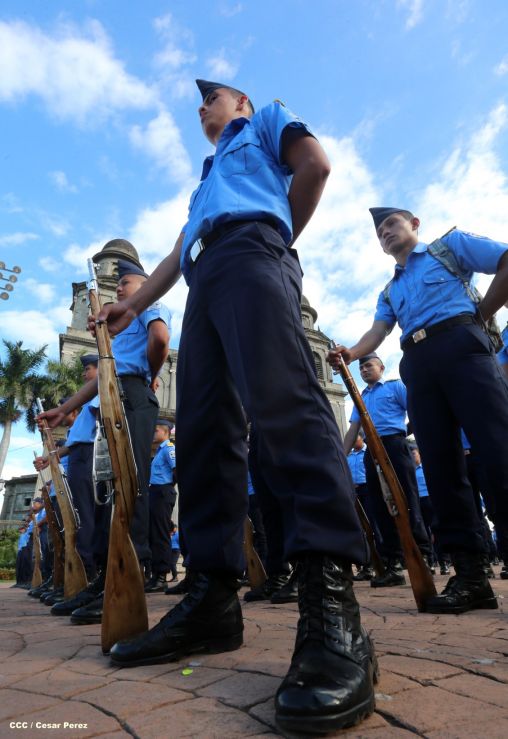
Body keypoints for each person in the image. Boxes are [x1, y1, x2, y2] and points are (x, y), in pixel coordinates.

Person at [87, 79, 378, 734]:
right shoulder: (204, 180)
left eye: (212, 97)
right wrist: (132, 302)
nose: (203, 107)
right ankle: (212, 597)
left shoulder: (264, 122)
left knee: (285, 403)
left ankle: (331, 604)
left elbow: (315, 166)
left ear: (241, 104)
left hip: (254, 252)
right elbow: (176, 249)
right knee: (204, 435)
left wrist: (273, 233)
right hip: (205, 278)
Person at [329, 207, 508, 614]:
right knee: (443, 470)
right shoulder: (389, 291)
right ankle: (471, 576)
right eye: (379, 232)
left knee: (498, 450)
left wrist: (481, 315)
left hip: (463, 346)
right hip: (418, 363)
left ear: (414, 224)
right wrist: (352, 352)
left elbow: (504, 259)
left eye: (391, 224)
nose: (385, 234)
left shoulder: (450, 247)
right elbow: (380, 331)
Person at [38, 251, 170, 624]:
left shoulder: (150, 304)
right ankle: (110, 574)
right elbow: (101, 377)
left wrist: (150, 373)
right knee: (111, 487)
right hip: (114, 391)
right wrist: (65, 410)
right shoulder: (117, 324)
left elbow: (159, 340)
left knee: (132, 481)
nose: (120, 288)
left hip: (132, 392)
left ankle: (135, 567)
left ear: (144, 284)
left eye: (125, 282)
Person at [342, 353, 431, 587]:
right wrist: (340, 456)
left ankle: (422, 555)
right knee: (380, 506)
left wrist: (402, 434)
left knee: (408, 499)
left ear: (381, 367)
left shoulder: (395, 387)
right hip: (373, 449)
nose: (364, 370)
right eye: (361, 368)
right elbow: (353, 430)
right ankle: (393, 561)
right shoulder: (360, 396)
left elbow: (417, 411)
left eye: (368, 366)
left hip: (395, 444)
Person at [145, 419, 177, 593]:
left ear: (165, 432)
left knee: (160, 534)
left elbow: (176, 470)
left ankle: (161, 577)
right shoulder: (159, 451)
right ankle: (155, 575)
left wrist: (168, 489)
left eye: (155, 430)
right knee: (153, 534)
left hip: (163, 492)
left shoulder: (169, 449)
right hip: (155, 492)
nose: (153, 433)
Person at [410, 446, 450, 576]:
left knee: (436, 531)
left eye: (414, 454)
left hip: (430, 500)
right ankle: (429, 562)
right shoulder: (409, 471)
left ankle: (444, 562)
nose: (412, 457)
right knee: (423, 533)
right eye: (410, 455)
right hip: (417, 502)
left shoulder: (427, 468)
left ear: (420, 455)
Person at [347, 434, 379, 581]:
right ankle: (365, 564)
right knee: (359, 528)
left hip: (368, 490)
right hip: (353, 492)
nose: (353, 442)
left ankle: (379, 562)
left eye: (355, 439)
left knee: (372, 526)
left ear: (361, 438)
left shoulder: (369, 452)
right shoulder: (348, 454)